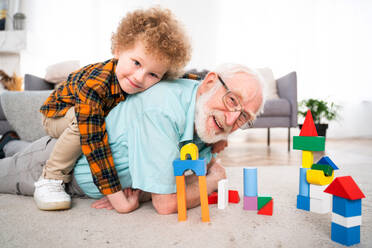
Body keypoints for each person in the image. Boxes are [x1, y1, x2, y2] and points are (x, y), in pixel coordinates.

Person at [0, 64, 265, 215]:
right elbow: (167, 203)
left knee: (14, 148)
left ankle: (7, 141)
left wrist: (214, 148)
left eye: (244, 118)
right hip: (62, 169)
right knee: (12, 168)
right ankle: (9, 144)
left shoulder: (205, 108)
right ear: (209, 82)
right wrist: (213, 180)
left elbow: (189, 163)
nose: (231, 121)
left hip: (79, 154)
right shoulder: (162, 108)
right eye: (232, 101)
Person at [33, 7, 191, 212]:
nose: (139, 77)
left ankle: (11, 145)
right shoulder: (95, 85)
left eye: (153, 74)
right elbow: (94, 141)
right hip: (58, 115)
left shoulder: (149, 82)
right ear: (118, 50)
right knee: (85, 124)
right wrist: (119, 201)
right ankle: (51, 178)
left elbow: (180, 83)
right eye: (136, 63)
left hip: (93, 114)